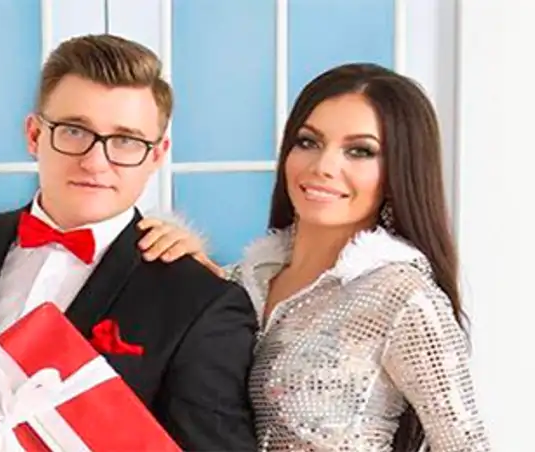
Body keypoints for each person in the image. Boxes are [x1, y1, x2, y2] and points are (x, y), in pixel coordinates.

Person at [0, 34, 258, 451]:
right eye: (74, 131)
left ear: (156, 155)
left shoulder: (200, 301)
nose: (94, 161)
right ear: (34, 134)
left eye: (125, 140)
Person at [137, 63, 492, 451]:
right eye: (308, 142)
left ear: (397, 173)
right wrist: (186, 273)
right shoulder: (241, 281)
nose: (323, 167)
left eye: (360, 151)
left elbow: (466, 444)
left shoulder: (401, 296)